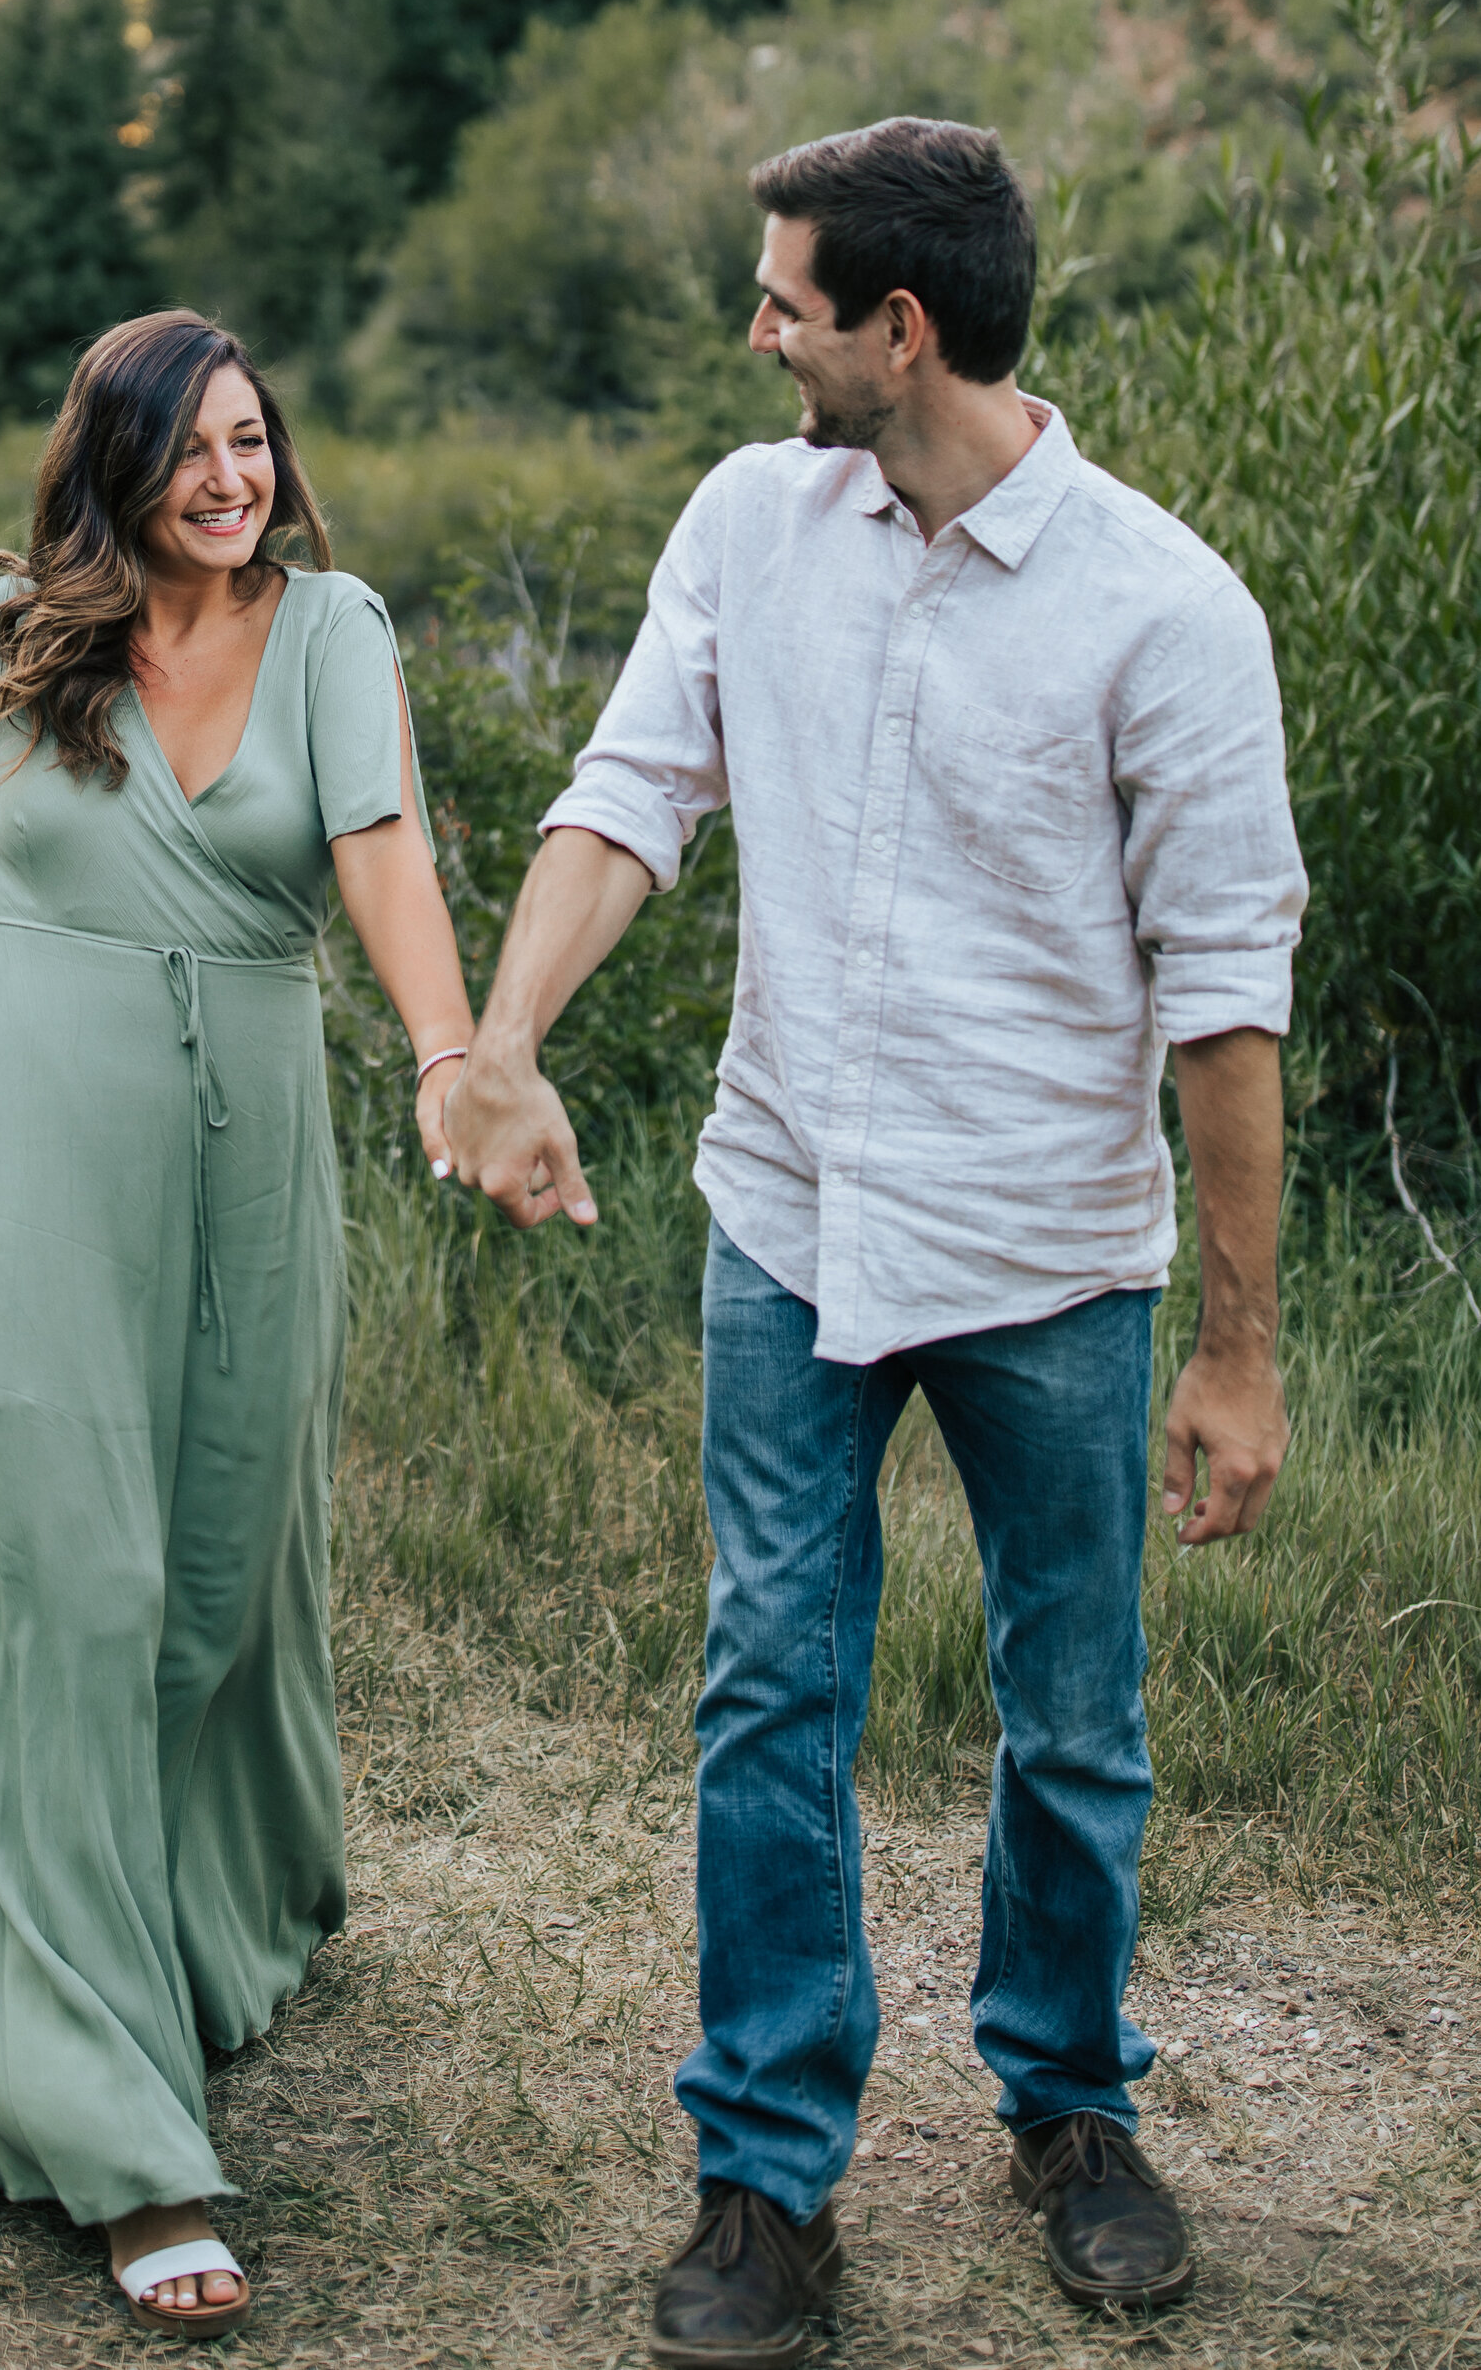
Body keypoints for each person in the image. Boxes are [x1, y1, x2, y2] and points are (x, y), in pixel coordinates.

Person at [434, 117, 1305, 2367]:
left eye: (781, 297)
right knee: (767, 1692)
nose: (754, 330)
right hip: (787, 1220)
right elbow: (630, 793)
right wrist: (502, 1034)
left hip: (1047, 1260)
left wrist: (1235, 1348)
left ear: (894, 330)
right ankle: (762, 2177)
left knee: (1073, 1717)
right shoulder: (748, 522)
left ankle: (1068, 2109)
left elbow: (1220, 1010)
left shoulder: (1162, 610)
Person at [0, 309, 472, 2341]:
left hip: (249, 1168)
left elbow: (382, 862)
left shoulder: (334, 631)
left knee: (207, 1582)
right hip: (23, 1143)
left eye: (250, 441)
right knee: (69, 1574)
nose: (230, 478)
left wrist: (451, 1054)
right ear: (112, 464)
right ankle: (115, 2136)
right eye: (189, 450)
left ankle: (181, 1922)